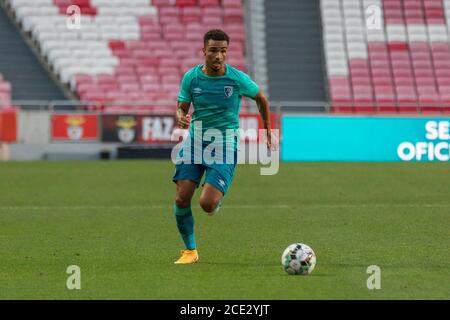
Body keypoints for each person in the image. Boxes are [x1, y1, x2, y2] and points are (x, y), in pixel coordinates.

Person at [172, 29, 274, 264]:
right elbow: (181, 107)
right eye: (214, 51)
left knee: (207, 204)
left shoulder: (237, 79)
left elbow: (261, 99)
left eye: (223, 51)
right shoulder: (191, 78)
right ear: (204, 51)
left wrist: (268, 129)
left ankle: (215, 200)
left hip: (224, 144)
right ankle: (190, 251)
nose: (219, 56)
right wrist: (181, 115)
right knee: (181, 198)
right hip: (195, 143)